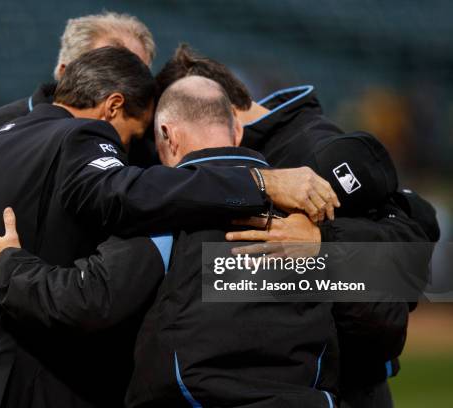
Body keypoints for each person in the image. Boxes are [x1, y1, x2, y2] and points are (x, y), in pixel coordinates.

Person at [0, 48, 339, 408]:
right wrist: (328, 249)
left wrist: (4, 266)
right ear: (236, 131)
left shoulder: (164, 209)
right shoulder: (313, 204)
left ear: (166, 135)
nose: (127, 151)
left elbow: (91, 299)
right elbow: (389, 291)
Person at [0, 11, 337, 329]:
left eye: (140, 74)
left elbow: (205, 263)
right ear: (71, 71)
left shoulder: (154, 151)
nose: (131, 89)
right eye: (115, 68)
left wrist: (319, 251)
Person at [154, 44, 438, 408]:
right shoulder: (246, 162)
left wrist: (322, 242)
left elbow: (416, 236)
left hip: (351, 384)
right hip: (303, 380)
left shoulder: (315, 148)